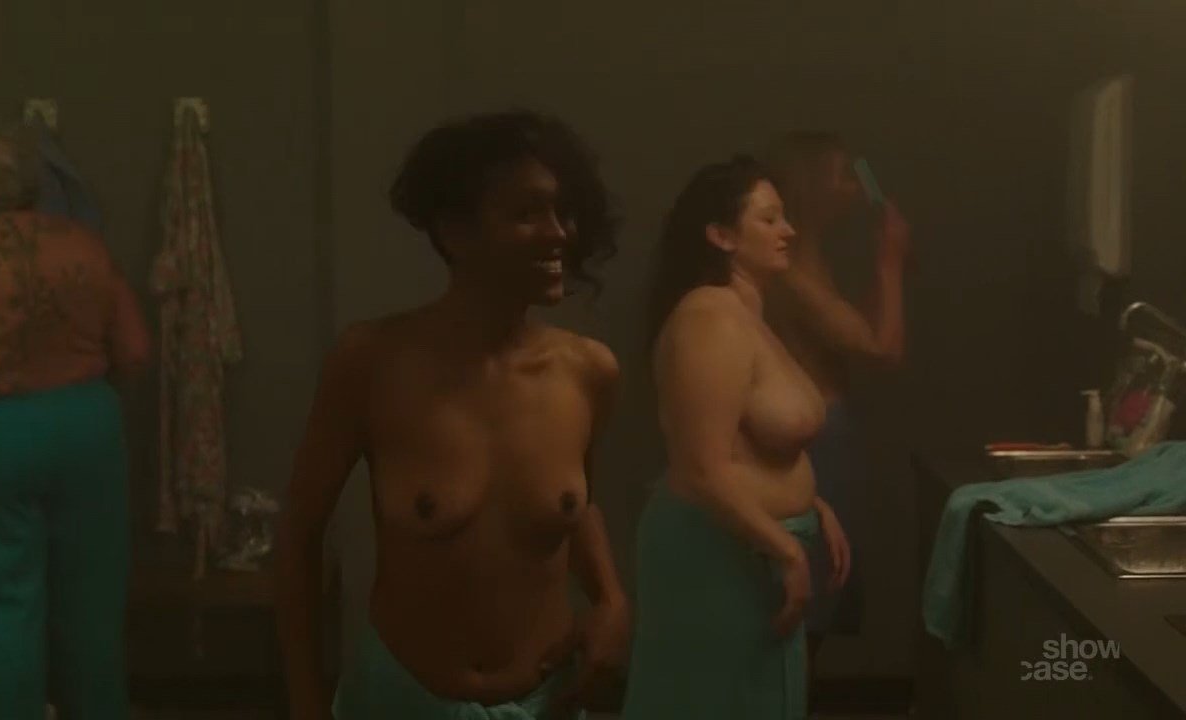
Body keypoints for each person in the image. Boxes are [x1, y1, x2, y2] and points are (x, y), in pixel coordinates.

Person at [275, 110, 630, 720]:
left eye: (564, 211)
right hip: (404, 700)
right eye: (527, 213)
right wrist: (307, 707)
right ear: (455, 232)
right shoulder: (373, 363)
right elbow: (299, 536)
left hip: (547, 701)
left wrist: (612, 600)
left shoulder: (588, 372)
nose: (558, 234)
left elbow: (574, 504)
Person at [0, 121, 150, 720]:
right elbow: (136, 351)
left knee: (2, 614)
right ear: (34, 183)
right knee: (92, 611)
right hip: (83, 430)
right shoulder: (84, 247)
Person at [622, 155, 851, 719]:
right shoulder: (711, 318)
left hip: (751, 549)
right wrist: (786, 549)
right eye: (769, 219)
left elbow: (747, 447)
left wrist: (812, 504)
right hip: (718, 554)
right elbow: (699, 469)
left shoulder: (749, 318)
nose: (788, 231)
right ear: (722, 236)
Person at [765, 131, 911, 666]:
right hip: (817, 443)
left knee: (825, 597)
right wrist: (890, 263)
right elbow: (883, 349)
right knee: (806, 609)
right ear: (808, 184)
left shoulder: (810, 258)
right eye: (842, 175)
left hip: (832, 436)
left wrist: (882, 267)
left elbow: (855, 333)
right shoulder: (789, 271)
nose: (854, 188)